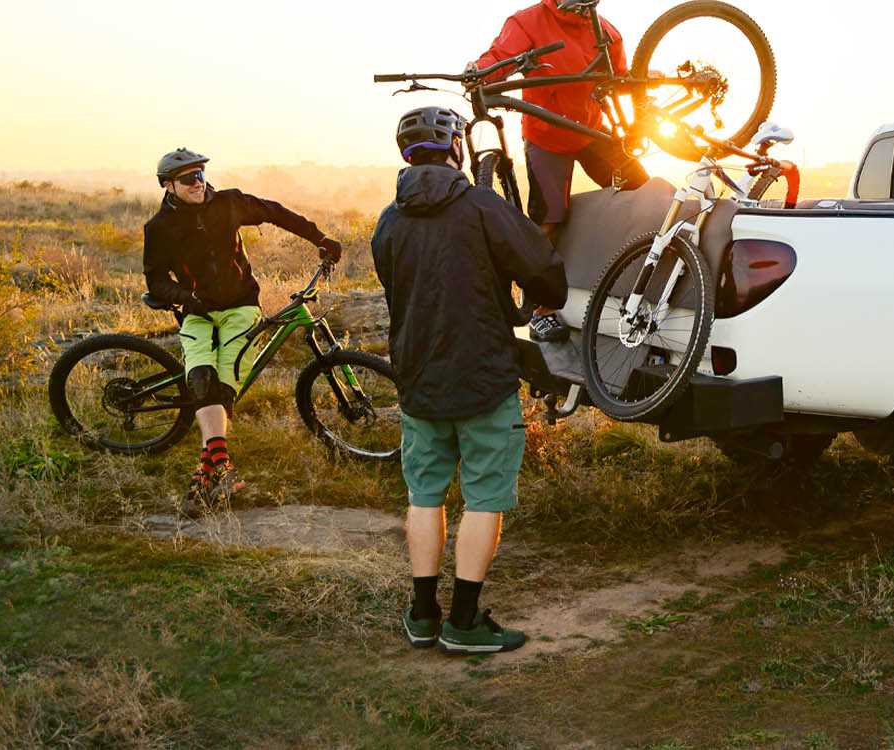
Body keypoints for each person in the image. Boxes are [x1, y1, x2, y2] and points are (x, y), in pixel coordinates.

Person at [371, 107, 567, 654]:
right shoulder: (484, 207)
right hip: (483, 377)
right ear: (457, 148)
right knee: (483, 500)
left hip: (418, 379)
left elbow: (394, 287)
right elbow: (544, 270)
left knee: (425, 495)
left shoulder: (389, 220)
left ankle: (422, 614)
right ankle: (463, 622)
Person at [142, 148, 342, 514]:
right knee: (202, 380)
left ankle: (211, 470)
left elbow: (276, 212)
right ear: (169, 185)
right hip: (196, 312)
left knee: (224, 382)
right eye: (188, 178)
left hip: (241, 306)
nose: (198, 182)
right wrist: (187, 298)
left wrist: (320, 239)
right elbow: (155, 281)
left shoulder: (229, 203)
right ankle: (220, 469)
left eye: (200, 173)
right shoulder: (158, 228)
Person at [472, 0, 650, 342]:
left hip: (591, 131)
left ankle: (639, 287)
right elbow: (499, 57)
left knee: (644, 192)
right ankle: (542, 310)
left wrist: (646, 93)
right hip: (546, 134)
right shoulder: (527, 22)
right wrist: (478, 71)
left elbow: (624, 81)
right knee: (549, 222)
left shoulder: (606, 33)